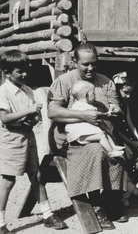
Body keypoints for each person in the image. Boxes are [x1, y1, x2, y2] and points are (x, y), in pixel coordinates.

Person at [48, 42, 129, 230]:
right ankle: (97, 206)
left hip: (101, 133)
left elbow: (114, 104)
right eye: (85, 64)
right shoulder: (64, 81)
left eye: (94, 63)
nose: (91, 68)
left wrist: (115, 110)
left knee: (117, 154)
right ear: (75, 61)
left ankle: (110, 200)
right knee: (96, 151)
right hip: (73, 139)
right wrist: (83, 115)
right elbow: (53, 112)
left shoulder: (106, 81)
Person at [0, 50, 67, 234]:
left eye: (26, 70)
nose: (25, 74)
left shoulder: (28, 90)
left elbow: (35, 116)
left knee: (37, 176)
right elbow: (5, 118)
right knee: (8, 180)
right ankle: (0, 222)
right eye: (19, 71)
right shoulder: (4, 91)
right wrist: (28, 111)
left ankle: (47, 215)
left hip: (28, 137)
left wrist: (33, 118)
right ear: (7, 73)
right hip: (11, 140)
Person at [111, 71, 138, 199]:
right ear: (118, 90)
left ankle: (128, 189)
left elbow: (130, 123)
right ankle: (123, 193)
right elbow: (115, 129)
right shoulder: (113, 105)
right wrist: (130, 143)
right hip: (119, 140)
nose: (128, 96)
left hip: (130, 138)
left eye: (130, 93)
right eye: (125, 92)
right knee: (132, 163)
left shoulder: (125, 103)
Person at [65, 80, 125, 158]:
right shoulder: (85, 107)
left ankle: (113, 146)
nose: (95, 95)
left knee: (105, 133)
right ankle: (111, 152)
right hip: (80, 136)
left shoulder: (78, 105)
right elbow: (97, 117)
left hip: (84, 133)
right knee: (101, 135)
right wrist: (106, 114)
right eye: (93, 93)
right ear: (86, 95)